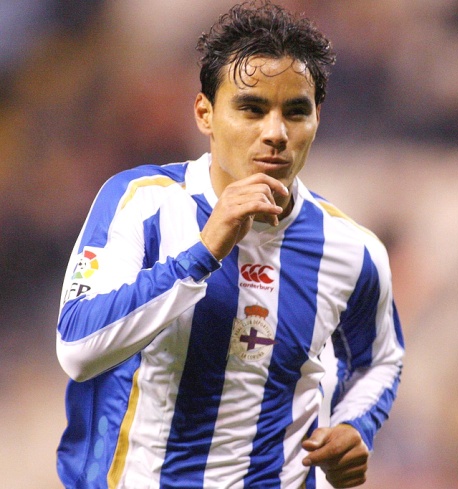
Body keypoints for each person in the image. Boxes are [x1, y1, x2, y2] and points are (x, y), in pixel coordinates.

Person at [56, 1, 404, 488]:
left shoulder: (351, 249)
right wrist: (202, 254)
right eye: (252, 109)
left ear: (317, 118)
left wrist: (354, 425)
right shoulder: (141, 203)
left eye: (296, 112)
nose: (276, 133)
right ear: (205, 113)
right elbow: (77, 347)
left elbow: (378, 359)